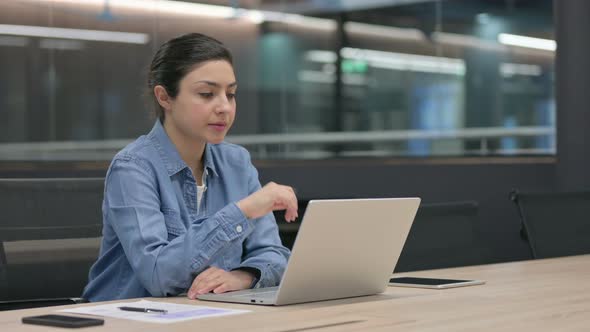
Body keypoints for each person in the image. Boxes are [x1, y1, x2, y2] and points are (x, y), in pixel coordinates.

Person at [82, 33, 298, 302]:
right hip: (126, 318)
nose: (224, 107)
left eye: (230, 94)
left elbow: (274, 255)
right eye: (207, 94)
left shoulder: (237, 163)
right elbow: (159, 276)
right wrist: (243, 211)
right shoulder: (133, 168)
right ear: (164, 97)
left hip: (206, 314)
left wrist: (240, 277)